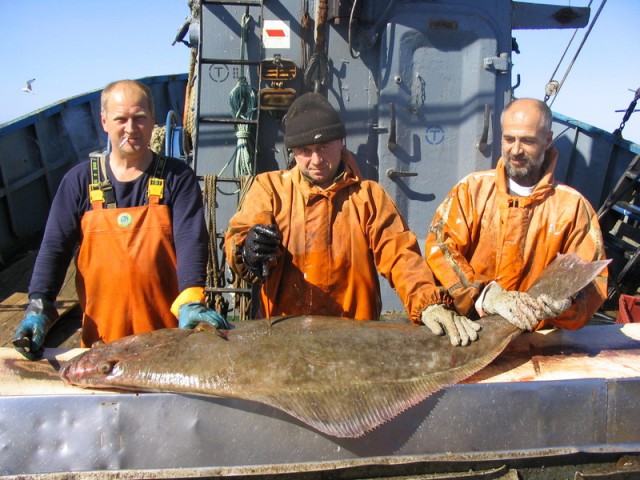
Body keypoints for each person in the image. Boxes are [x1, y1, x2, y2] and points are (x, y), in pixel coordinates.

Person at [224, 92, 480, 346]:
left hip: (355, 340)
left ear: (340, 142)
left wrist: (428, 303)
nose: (316, 160)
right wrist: (248, 253)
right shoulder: (269, 189)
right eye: (305, 150)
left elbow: (401, 256)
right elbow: (241, 236)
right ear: (292, 151)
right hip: (283, 337)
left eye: (323, 146)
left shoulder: (369, 197)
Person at [14, 80, 228, 360]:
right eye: (121, 119)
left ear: (153, 120)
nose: (130, 128)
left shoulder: (177, 177)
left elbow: (191, 240)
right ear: (104, 121)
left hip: (168, 337)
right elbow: (55, 247)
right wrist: (39, 304)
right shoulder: (78, 182)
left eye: (139, 118)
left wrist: (190, 296)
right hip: (102, 343)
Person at [425, 98, 608, 332]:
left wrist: (568, 304)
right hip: (470, 331)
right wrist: (484, 295)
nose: (516, 150)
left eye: (528, 141)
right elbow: (440, 248)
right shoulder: (471, 190)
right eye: (509, 139)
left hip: (535, 339)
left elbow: (592, 282)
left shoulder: (573, 207)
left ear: (548, 140)